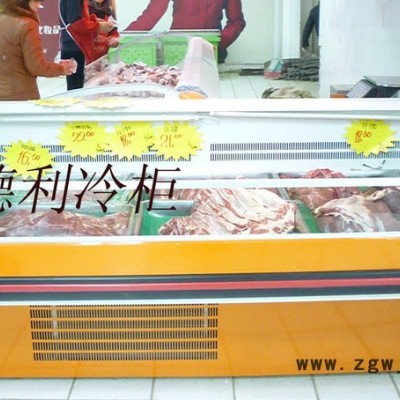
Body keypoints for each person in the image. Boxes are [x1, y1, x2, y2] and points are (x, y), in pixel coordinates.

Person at [125, 0, 246, 63]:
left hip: (212, 55)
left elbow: (237, 22)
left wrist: (218, 44)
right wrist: (122, 38)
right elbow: (152, 14)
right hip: (176, 51)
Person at [0, 0, 75, 100]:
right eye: (36, 1)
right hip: (21, 95)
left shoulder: (3, 19)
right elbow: (36, 66)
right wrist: (62, 69)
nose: (39, 5)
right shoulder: (27, 25)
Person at [59, 0, 114, 90]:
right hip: (76, 47)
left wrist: (95, 22)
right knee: (78, 90)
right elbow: (77, 24)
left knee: (81, 88)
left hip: (76, 46)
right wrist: (98, 26)